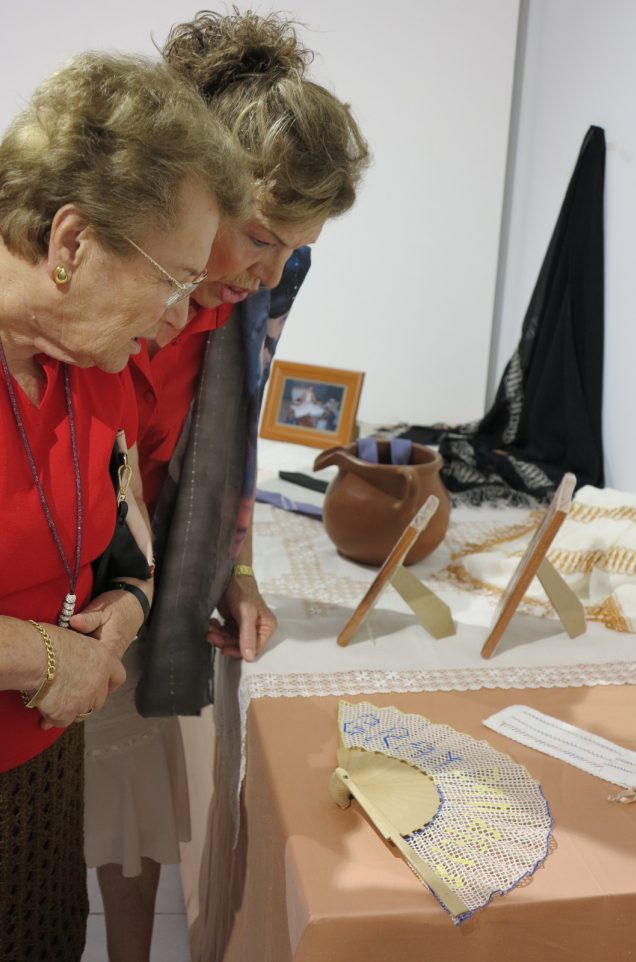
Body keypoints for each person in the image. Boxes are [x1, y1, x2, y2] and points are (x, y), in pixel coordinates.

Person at [83, 11, 369, 962]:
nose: (271, 273)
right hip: (62, 546)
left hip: (150, 552)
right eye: (258, 237)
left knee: (134, 790)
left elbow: (231, 428)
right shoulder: (98, 267)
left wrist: (231, 563)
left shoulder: (252, 287)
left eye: (297, 249)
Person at [0, 50, 251, 962]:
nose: (185, 317)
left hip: (37, 789)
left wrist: (127, 613)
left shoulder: (94, 375)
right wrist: (39, 652)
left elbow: (128, 541)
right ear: (72, 243)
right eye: (173, 279)